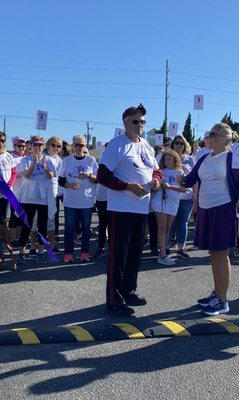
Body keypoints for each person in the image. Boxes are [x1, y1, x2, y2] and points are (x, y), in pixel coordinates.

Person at [97, 103, 161, 317]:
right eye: (136, 121)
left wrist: (156, 181)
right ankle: (114, 300)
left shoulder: (146, 146)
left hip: (141, 208)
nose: (140, 125)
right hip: (121, 208)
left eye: (143, 121)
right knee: (119, 256)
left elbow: (156, 170)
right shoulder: (117, 145)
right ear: (125, 123)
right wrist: (126, 186)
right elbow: (103, 176)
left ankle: (129, 291)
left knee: (134, 254)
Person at [177, 123, 239, 316]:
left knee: (221, 254)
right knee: (213, 254)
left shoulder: (232, 156)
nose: (209, 137)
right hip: (206, 209)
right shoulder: (204, 158)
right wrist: (180, 179)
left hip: (224, 209)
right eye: (209, 134)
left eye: (214, 134)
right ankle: (217, 294)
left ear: (226, 139)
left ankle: (223, 301)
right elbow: (190, 180)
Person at [59, 135, 98, 263]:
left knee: (86, 229)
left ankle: (84, 253)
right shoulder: (67, 161)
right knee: (69, 229)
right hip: (70, 201)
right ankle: (69, 254)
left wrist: (89, 175)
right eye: (76, 145)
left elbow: (98, 178)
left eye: (81, 145)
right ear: (72, 145)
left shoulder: (91, 160)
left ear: (84, 146)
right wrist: (69, 185)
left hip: (86, 201)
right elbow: (61, 180)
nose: (78, 147)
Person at [17, 135, 56, 264]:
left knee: (42, 226)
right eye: (35, 144)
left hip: (43, 198)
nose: (38, 147)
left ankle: (40, 252)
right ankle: (22, 252)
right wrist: (33, 163)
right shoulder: (25, 160)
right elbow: (26, 176)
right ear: (30, 146)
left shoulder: (49, 159)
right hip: (28, 197)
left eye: (40, 144)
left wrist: (44, 166)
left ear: (43, 146)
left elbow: (51, 176)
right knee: (26, 225)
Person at [150, 150, 186, 265]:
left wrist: (169, 186)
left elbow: (183, 189)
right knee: (162, 227)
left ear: (175, 159)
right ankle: (163, 255)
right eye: (166, 159)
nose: (167, 161)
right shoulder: (161, 172)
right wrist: (158, 186)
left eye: (170, 159)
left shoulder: (180, 172)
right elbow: (155, 187)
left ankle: (164, 252)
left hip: (173, 202)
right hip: (160, 201)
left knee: (168, 228)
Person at [170, 134, 195, 259]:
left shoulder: (190, 159)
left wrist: (196, 193)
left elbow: (196, 177)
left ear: (185, 146)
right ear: (173, 144)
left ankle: (180, 249)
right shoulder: (167, 157)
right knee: (169, 223)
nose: (179, 145)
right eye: (176, 142)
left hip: (186, 197)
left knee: (183, 223)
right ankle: (166, 249)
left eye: (181, 143)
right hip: (170, 197)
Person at [45, 136, 63, 252]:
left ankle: (52, 245)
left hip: (55, 192)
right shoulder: (44, 157)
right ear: (48, 145)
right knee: (40, 220)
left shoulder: (59, 159)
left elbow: (59, 176)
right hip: (43, 192)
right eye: (53, 145)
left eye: (58, 146)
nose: (56, 148)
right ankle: (35, 245)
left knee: (52, 218)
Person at [8, 137, 27, 244]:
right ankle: (12, 238)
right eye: (19, 146)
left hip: (25, 192)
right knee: (13, 216)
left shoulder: (26, 158)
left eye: (24, 146)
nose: (22, 148)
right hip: (13, 192)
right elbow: (16, 173)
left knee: (22, 216)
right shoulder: (11, 158)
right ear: (14, 146)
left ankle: (19, 237)